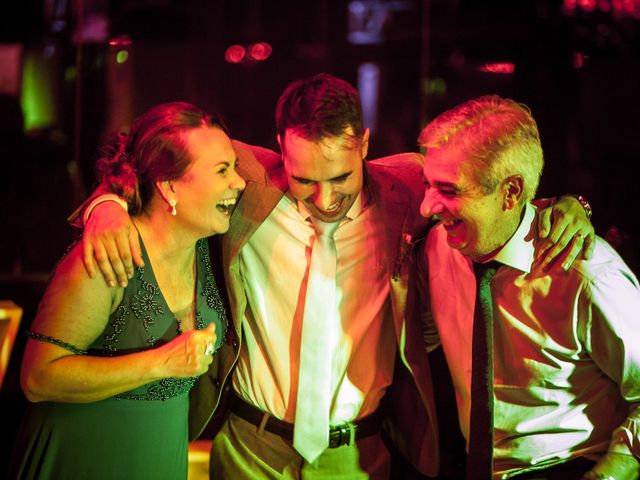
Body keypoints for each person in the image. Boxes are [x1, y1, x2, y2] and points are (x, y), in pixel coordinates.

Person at [76, 74, 593, 479]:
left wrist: (571, 206)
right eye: (304, 179)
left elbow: (496, 194)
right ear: (279, 145)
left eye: (340, 177)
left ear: (364, 144)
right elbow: (145, 158)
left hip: (360, 457)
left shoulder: (408, 186)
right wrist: (107, 204)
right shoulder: (246, 180)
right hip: (251, 449)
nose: (324, 199)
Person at [8, 102, 245, 479]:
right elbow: (37, 378)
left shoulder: (208, 244)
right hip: (87, 455)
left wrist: (104, 200)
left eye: (234, 167)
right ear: (169, 186)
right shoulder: (108, 253)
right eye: (222, 171)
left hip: (160, 453)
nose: (239, 182)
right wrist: (161, 363)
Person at [418, 95, 640, 480]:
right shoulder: (440, 245)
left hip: (568, 467)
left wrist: (614, 470)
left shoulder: (587, 275)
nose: (426, 206)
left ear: (511, 192)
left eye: (449, 191)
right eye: (427, 184)